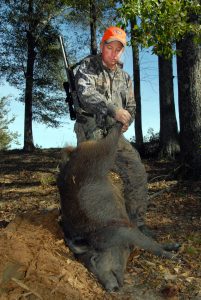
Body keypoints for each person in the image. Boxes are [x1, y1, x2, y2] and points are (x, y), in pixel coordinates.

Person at [74, 26, 152, 236]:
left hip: (114, 133)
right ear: (102, 46)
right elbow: (85, 94)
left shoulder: (125, 77)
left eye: (119, 49)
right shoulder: (88, 66)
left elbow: (132, 106)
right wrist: (113, 110)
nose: (114, 53)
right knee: (90, 177)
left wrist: (127, 120)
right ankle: (84, 229)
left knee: (136, 170)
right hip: (90, 129)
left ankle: (136, 225)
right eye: (110, 47)